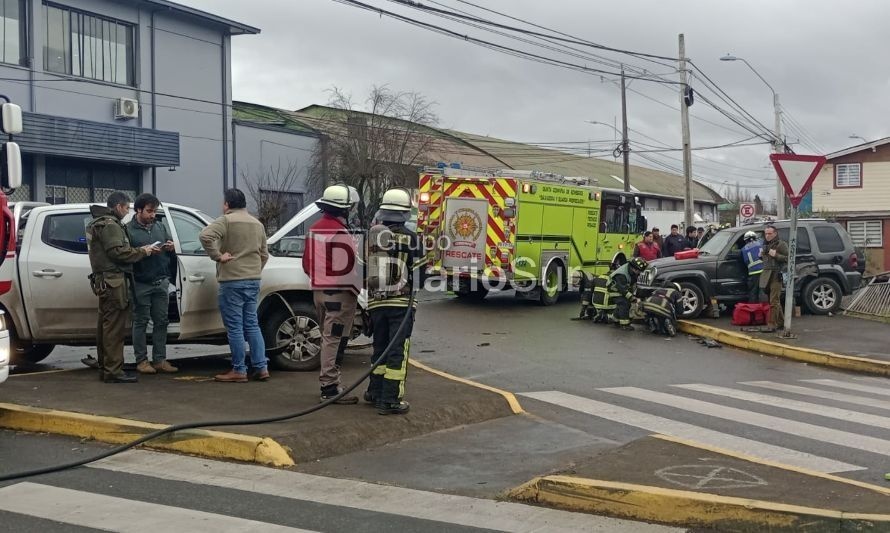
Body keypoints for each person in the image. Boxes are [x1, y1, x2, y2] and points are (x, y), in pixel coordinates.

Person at [86, 191, 158, 383]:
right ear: (119, 206)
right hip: (113, 281)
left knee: (106, 326)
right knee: (114, 329)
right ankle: (113, 371)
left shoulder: (99, 222)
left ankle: (106, 367)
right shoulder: (110, 225)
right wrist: (143, 251)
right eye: (127, 208)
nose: (127, 212)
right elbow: (118, 252)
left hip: (105, 280)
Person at [199, 188, 269, 383]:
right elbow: (264, 254)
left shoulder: (226, 220)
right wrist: (255, 270)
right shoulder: (257, 224)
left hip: (232, 281)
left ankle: (239, 369)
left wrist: (218, 256)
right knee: (252, 325)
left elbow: (205, 236)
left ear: (226, 205)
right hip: (253, 279)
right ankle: (261, 366)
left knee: (235, 328)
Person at [364, 189, 424, 415]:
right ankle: (390, 400)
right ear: (405, 213)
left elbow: (364, 269)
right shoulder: (412, 238)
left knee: (379, 348)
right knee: (397, 350)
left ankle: (374, 392)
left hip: (376, 304)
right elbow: (420, 275)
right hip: (401, 306)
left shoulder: (371, 236)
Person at [302, 184, 362, 404]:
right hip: (339, 296)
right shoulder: (340, 233)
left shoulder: (314, 229)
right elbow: (348, 269)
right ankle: (329, 387)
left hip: (319, 293)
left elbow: (306, 264)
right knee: (334, 339)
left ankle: (332, 383)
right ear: (344, 209)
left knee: (328, 337)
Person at [126, 193, 177, 374]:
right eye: (149, 211)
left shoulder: (160, 227)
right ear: (138, 210)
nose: (152, 215)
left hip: (161, 280)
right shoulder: (128, 230)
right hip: (140, 282)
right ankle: (141, 360)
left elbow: (170, 248)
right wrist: (144, 251)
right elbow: (126, 254)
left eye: (154, 211)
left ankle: (159, 359)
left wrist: (170, 247)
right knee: (140, 321)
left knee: (161, 321)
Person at [759, 224, 789, 332]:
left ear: (775, 233)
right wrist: (761, 255)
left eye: (769, 233)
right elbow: (766, 261)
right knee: (774, 301)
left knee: (774, 301)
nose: (767, 236)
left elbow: (789, 258)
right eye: (766, 233)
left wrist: (776, 255)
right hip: (766, 275)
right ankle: (781, 322)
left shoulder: (781, 244)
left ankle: (772, 325)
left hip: (777, 275)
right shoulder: (765, 245)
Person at [608, 257, 648, 331]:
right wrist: (633, 299)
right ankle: (625, 324)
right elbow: (623, 290)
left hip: (620, 289)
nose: (640, 273)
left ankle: (615, 319)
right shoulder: (621, 275)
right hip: (614, 290)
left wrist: (636, 295)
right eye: (639, 271)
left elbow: (632, 285)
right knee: (624, 303)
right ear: (634, 269)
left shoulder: (631, 271)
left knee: (623, 303)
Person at [740, 230, 764, 303]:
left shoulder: (743, 249)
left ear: (746, 240)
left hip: (753, 273)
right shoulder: (761, 244)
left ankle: (753, 311)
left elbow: (745, 261)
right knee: (763, 292)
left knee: (753, 292)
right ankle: (764, 310)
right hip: (764, 271)